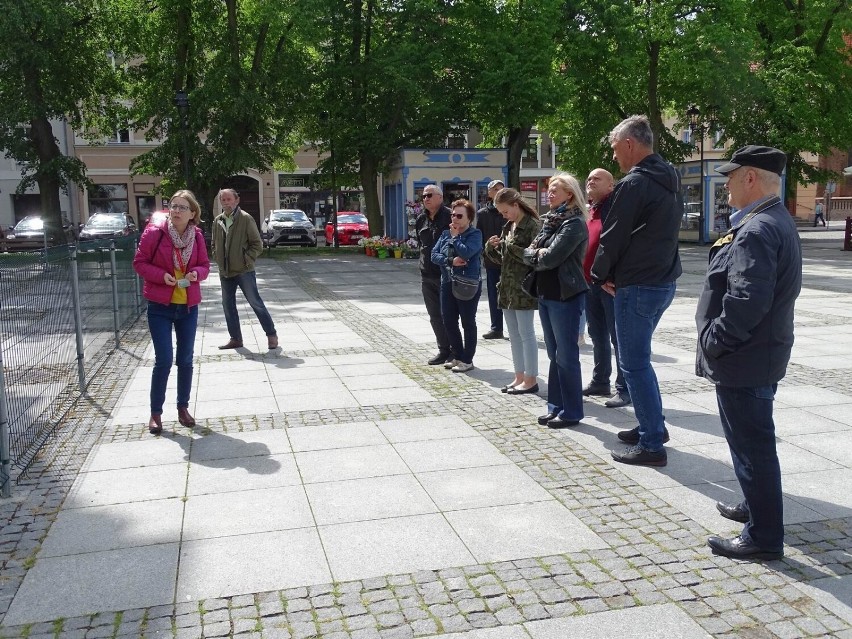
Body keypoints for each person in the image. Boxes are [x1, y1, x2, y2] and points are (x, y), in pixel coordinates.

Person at [697, 145, 801, 561]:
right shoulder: (773, 220)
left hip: (745, 357)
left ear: (751, 178)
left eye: (730, 177)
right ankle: (754, 507)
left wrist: (715, 341)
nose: (726, 185)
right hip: (759, 353)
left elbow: (746, 300)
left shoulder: (757, 229)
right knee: (749, 443)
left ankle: (763, 537)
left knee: (753, 446)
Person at [592, 115, 682, 467]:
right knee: (638, 361)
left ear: (630, 144)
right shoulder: (669, 178)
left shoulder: (635, 184)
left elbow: (613, 235)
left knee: (634, 364)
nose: (614, 156)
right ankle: (653, 426)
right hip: (662, 281)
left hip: (638, 285)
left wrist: (599, 275)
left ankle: (652, 444)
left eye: (615, 149)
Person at [133, 190, 210, 435]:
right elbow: (139, 262)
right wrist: (160, 276)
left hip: (187, 306)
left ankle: (183, 408)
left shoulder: (196, 235)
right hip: (160, 306)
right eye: (173, 206)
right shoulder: (155, 232)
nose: (176, 210)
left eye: (182, 207)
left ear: (193, 214)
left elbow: (205, 265)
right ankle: (156, 413)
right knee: (164, 360)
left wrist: (197, 273)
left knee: (186, 360)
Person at [523, 174, 589, 428]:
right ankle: (556, 406)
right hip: (546, 293)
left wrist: (536, 254)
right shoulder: (550, 221)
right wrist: (536, 253)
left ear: (569, 194)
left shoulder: (573, 224)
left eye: (554, 191)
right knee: (553, 354)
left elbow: (550, 258)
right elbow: (528, 253)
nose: (548, 195)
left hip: (566, 295)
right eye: (548, 191)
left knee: (566, 355)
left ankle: (572, 411)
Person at [582, 168, 631, 408]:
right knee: (596, 334)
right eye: (589, 178)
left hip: (609, 284)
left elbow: (619, 244)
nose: (590, 181)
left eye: (597, 179)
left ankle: (624, 387)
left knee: (617, 337)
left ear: (611, 186)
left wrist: (611, 275)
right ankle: (601, 380)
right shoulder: (590, 210)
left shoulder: (615, 208)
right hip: (590, 283)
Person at [486, 188, 542, 393]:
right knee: (513, 334)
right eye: (501, 212)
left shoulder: (533, 225)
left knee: (526, 334)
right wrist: (491, 248)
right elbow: (502, 259)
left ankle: (531, 378)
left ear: (516, 205)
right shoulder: (509, 225)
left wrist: (510, 248)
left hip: (523, 288)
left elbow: (534, 256)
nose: (503, 216)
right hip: (507, 287)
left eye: (505, 211)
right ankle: (519, 376)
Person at [212, 188, 278, 350]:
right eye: (223, 200)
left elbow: (257, 245)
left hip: (244, 270)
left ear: (236, 201)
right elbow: (214, 243)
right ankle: (235, 338)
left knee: (255, 303)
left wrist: (245, 260)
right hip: (225, 271)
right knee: (228, 306)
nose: (226, 203)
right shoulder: (218, 220)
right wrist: (217, 257)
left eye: (229, 199)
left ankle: (271, 334)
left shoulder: (245, 219)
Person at [431, 199, 483, 373]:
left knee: (468, 322)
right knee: (449, 321)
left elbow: (467, 252)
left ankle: (467, 359)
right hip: (448, 281)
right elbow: (433, 255)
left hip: (467, 283)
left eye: (459, 215)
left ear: (469, 218)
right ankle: (457, 355)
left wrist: (455, 239)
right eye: (453, 214)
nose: (454, 218)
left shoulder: (475, 235)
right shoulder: (446, 233)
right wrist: (449, 260)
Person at [416, 184, 453, 364]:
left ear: (440, 197)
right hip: (427, 273)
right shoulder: (421, 218)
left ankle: (455, 349)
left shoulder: (450, 216)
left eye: (430, 195)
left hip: (445, 273)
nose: (426, 198)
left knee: (449, 314)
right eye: (423, 196)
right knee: (434, 315)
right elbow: (421, 243)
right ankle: (443, 349)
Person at [476, 179, 506, 339]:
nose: (499, 192)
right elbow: (479, 235)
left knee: (509, 293)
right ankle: (497, 327)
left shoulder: (508, 212)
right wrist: (485, 251)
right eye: (496, 189)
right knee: (494, 295)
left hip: (509, 260)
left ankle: (513, 327)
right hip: (491, 261)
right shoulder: (482, 214)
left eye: (501, 189)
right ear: (489, 193)